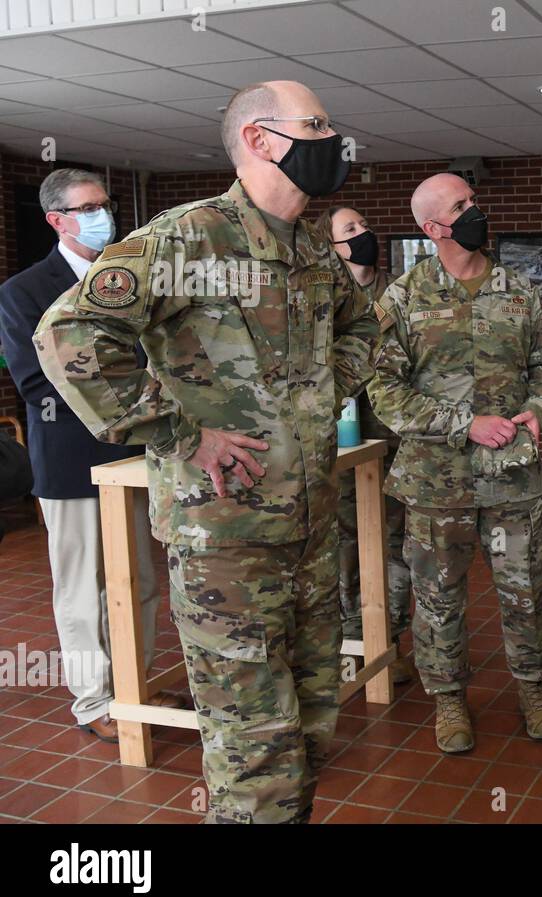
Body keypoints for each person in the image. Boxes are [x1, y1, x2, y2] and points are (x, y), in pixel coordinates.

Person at [34, 81, 380, 823]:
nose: (334, 141)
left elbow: (363, 328)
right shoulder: (188, 237)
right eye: (316, 126)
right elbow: (68, 335)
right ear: (260, 139)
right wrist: (180, 432)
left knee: (314, 728)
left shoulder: (314, 248)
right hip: (227, 540)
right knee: (255, 753)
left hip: (315, 534)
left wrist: (320, 393)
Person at [369, 172, 542, 754]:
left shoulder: (519, 292)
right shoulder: (402, 300)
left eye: (474, 201)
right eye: (462, 206)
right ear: (432, 228)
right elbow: (382, 390)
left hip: (512, 479)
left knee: (524, 590)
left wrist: (536, 409)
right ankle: (449, 699)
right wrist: (464, 423)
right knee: (438, 596)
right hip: (436, 484)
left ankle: (533, 688)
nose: (476, 212)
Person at [0, 168, 185, 744]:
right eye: (87, 208)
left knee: (139, 582)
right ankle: (94, 700)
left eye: (103, 203)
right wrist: (131, 395)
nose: (102, 215)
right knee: (85, 588)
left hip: (135, 455)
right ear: (57, 220)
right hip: (70, 460)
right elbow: (35, 382)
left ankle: (136, 684)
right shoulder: (24, 291)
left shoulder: (129, 279)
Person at [315, 205, 414, 685]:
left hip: (395, 437)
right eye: (350, 230)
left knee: (394, 540)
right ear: (332, 247)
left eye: (365, 225)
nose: (364, 234)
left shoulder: (401, 290)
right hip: (342, 438)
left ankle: (389, 637)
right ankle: (352, 637)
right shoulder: (322, 296)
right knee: (346, 539)